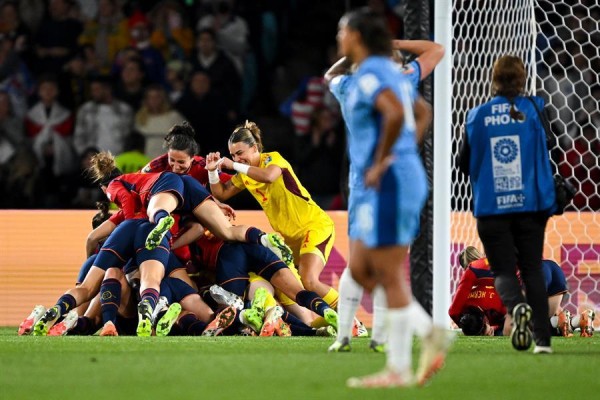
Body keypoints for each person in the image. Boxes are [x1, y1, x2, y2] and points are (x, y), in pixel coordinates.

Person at [326, 9, 453, 388]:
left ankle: (408, 357)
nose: (338, 37)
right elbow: (420, 110)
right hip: (394, 179)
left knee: (383, 272)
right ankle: (418, 341)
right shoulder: (389, 72)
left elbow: (398, 112)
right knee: (365, 269)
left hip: (389, 183)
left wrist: (385, 162)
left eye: (341, 31)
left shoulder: (369, 74)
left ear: (356, 36)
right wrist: (403, 155)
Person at [458, 55, 557, 353]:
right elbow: (551, 146)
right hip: (530, 206)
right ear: (523, 78)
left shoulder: (477, 115)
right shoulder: (536, 109)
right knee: (531, 270)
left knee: (502, 272)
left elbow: (463, 163)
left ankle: (516, 310)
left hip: (492, 208)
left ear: (494, 80)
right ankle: (542, 342)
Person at [206, 120, 341, 312]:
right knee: (287, 285)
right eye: (233, 154)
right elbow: (221, 193)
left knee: (309, 281)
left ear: (254, 148)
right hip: (289, 238)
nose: (236, 158)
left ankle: (350, 319)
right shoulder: (246, 174)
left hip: (314, 226)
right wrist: (212, 172)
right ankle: (312, 323)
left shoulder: (273, 160)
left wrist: (234, 165)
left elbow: (268, 176)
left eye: (240, 153)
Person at [455, 246, 595, 338]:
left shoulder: (482, 286)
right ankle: (579, 321)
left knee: (513, 329)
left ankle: (567, 321)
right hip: (551, 268)